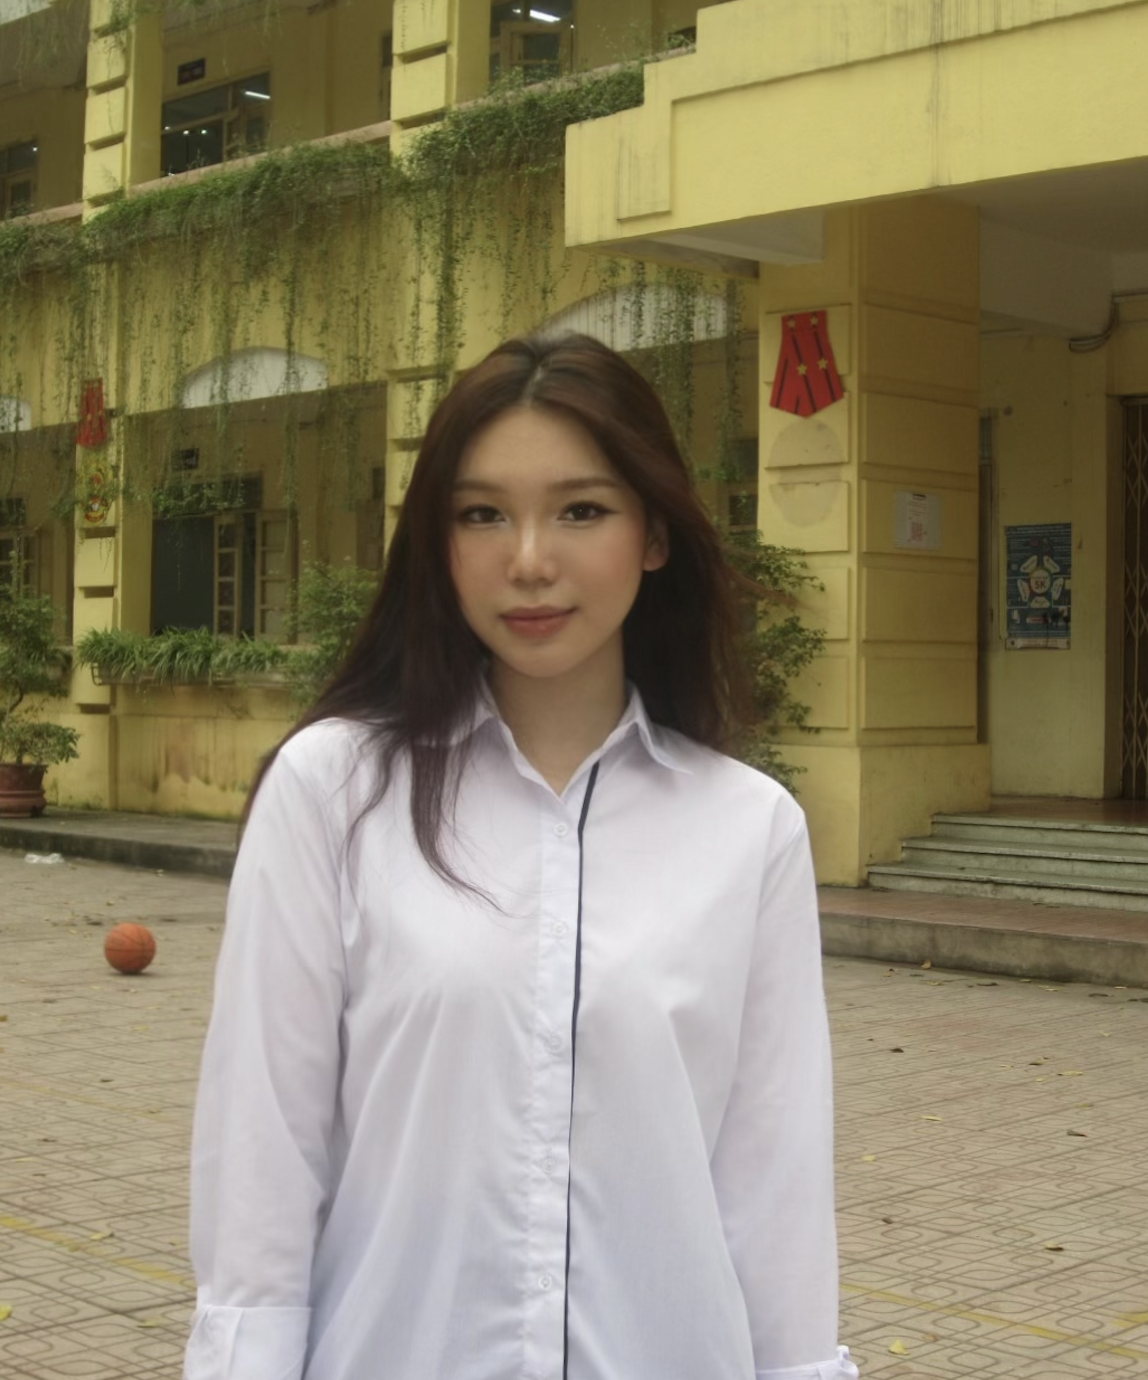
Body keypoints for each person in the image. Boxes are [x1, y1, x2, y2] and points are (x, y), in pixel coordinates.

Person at [183, 333, 858, 1380]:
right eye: (482, 514)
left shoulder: (747, 827)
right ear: (438, 541)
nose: (530, 559)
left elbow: (772, 1185)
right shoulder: (334, 793)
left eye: (581, 510)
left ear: (653, 534)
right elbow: (264, 1153)